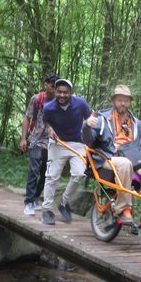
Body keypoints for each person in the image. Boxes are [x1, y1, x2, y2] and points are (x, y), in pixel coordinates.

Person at [82, 85, 141, 227]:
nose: (123, 103)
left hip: (134, 159)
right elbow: (89, 141)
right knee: (124, 163)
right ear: (114, 101)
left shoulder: (136, 123)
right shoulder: (102, 118)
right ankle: (123, 209)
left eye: (126, 100)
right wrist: (86, 126)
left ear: (129, 102)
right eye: (120, 100)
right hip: (107, 158)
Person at [40, 79, 92, 225]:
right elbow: (45, 122)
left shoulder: (81, 103)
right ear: (55, 92)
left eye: (65, 92)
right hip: (58, 143)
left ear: (71, 93)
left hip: (78, 144)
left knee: (79, 173)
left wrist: (91, 128)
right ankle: (47, 210)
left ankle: (64, 202)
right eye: (59, 92)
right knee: (52, 176)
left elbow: (90, 119)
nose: (62, 95)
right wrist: (49, 129)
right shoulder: (49, 107)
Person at [20, 73, 58, 216]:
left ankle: (35, 198)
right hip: (36, 138)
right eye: (52, 86)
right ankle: (28, 202)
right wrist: (23, 138)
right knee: (34, 170)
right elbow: (27, 118)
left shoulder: (59, 101)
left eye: (56, 87)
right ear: (46, 84)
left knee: (45, 172)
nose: (54, 90)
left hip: (52, 141)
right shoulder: (37, 99)